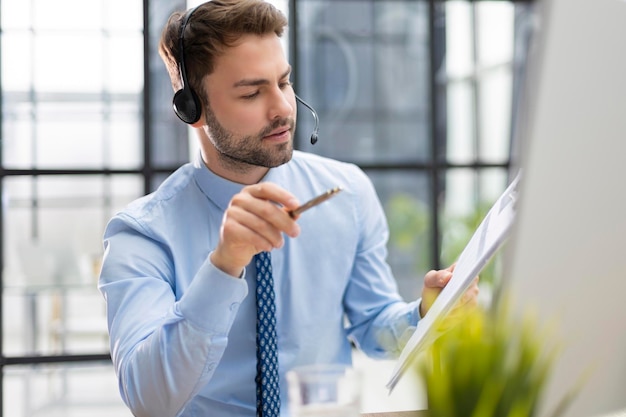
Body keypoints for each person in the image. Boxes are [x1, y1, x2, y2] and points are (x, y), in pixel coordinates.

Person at [97, 1, 479, 416]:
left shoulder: (345, 193)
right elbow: (148, 399)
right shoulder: (141, 234)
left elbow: (373, 326)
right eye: (252, 92)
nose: (282, 107)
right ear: (193, 109)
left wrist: (425, 313)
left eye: (284, 82)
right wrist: (224, 266)